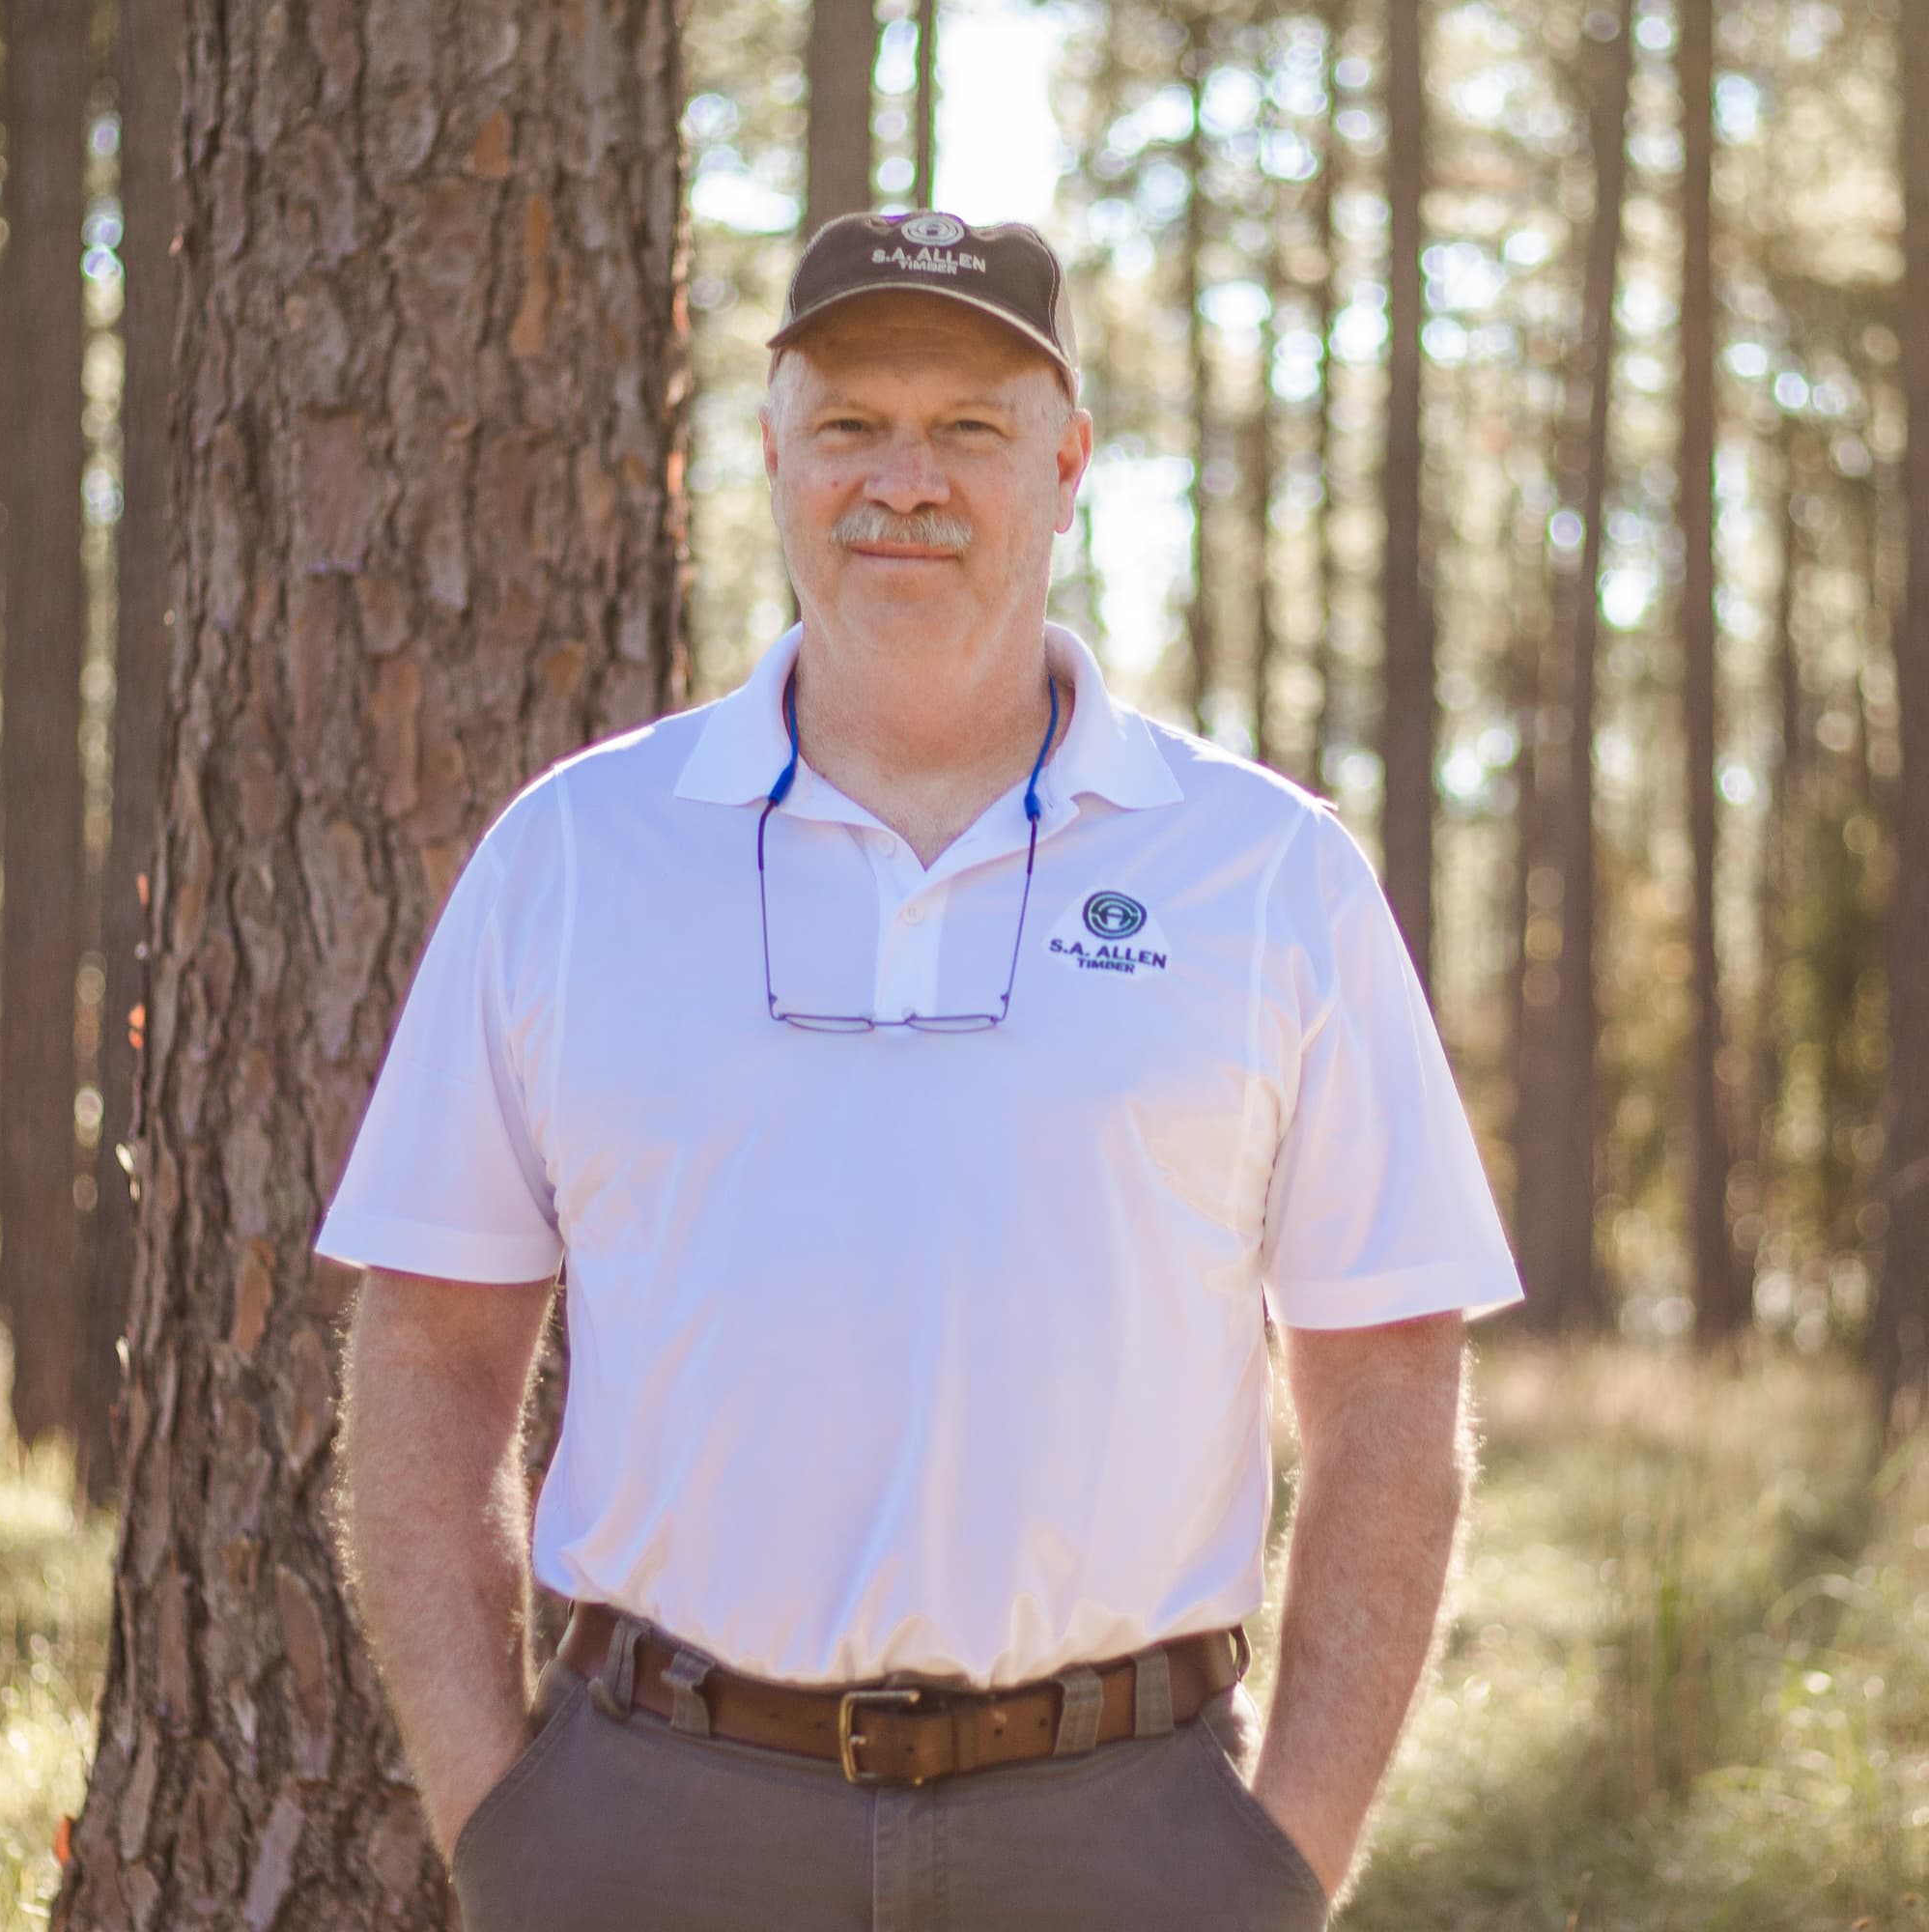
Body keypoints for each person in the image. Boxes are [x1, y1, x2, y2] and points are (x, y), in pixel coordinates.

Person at [318, 210, 1523, 1932]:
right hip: (652, 1831)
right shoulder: (575, 857)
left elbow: (1393, 1384)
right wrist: (500, 1821)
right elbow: (430, 1350)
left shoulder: (1268, 876)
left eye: (968, 429)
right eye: (850, 427)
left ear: (1067, 463)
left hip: (1130, 1837)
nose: (906, 481)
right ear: (772, 456)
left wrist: (1283, 1857)